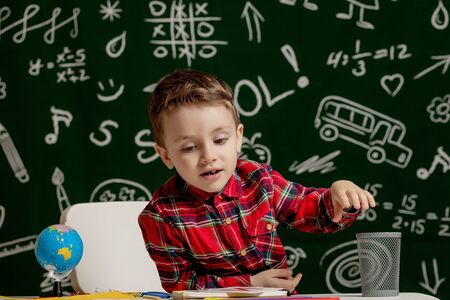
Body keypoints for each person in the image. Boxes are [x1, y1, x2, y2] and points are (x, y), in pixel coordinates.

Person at [138, 69, 376, 293]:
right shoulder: (161, 216)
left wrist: (337, 197)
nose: (208, 156)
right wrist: (249, 285)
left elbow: (309, 211)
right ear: (166, 155)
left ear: (238, 138)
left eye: (220, 140)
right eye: (190, 147)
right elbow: (180, 285)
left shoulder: (259, 180)